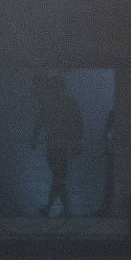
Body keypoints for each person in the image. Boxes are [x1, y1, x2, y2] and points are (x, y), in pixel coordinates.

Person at [30, 74, 85, 218]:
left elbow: (79, 124)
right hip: (55, 146)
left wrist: (77, 141)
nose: (55, 91)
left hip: (61, 146)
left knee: (59, 177)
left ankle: (51, 208)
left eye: (56, 88)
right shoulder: (52, 105)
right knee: (59, 177)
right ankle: (63, 209)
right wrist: (34, 139)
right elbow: (39, 123)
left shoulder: (65, 105)